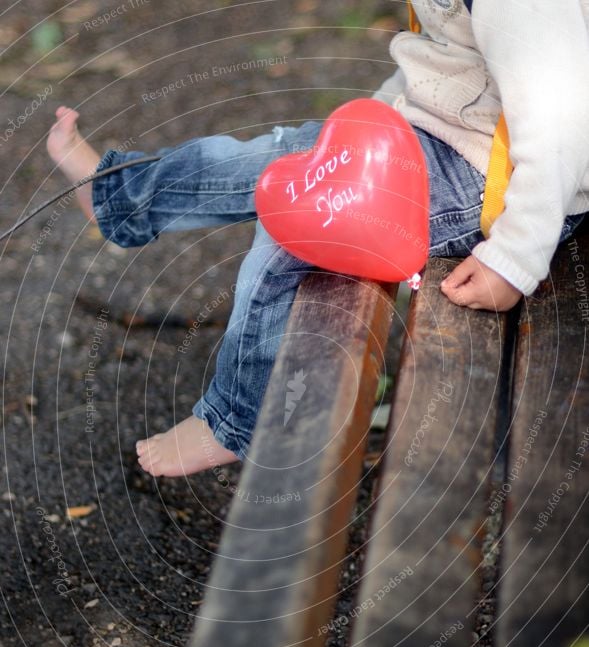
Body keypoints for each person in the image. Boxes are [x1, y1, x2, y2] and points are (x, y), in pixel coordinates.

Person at [47, 0, 589, 478]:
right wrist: (366, 129)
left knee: (304, 224)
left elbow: (561, 127)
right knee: (281, 157)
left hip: (493, 180)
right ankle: (120, 197)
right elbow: (439, 65)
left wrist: (513, 260)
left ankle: (237, 418)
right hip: (440, 141)